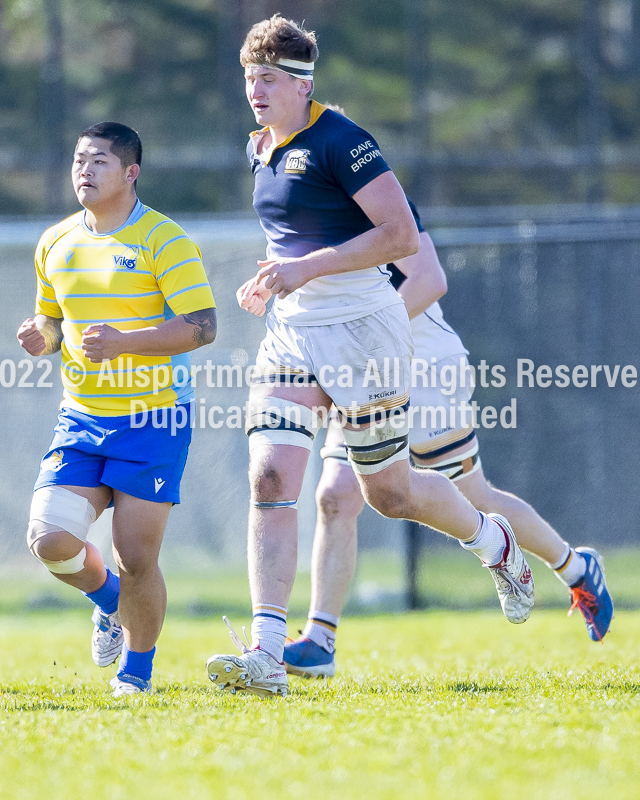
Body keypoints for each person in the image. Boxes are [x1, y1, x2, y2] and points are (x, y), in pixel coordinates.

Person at [206, 15, 534, 699]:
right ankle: (268, 653)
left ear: (301, 85)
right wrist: (273, 275)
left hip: (367, 332)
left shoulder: (344, 141)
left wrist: (309, 269)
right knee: (271, 475)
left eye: (268, 80)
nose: (256, 92)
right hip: (293, 332)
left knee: (388, 494)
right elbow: (294, 238)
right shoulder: (258, 147)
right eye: (249, 79)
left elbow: (398, 234)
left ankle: (492, 542)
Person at [283, 200, 614, 678]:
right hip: (360, 366)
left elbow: (430, 279)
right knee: (336, 495)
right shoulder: (296, 202)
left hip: (421, 362)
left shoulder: (367, 185)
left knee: (473, 494)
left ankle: (577, 570)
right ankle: (320, 640)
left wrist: (365, 335)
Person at [17, 121, 216, 696]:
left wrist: (126, 342)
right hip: (80, 416)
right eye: (79, 160)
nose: (85, 170)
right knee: (49, 540)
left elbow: (202, 329)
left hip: (155, 419)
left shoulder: (165, 239)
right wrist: (43, 337)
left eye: (100, 161)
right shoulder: (55, 241)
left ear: (131, 173)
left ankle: (137, 673)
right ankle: (108, 603)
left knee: (135, 557)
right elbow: (56, 324)